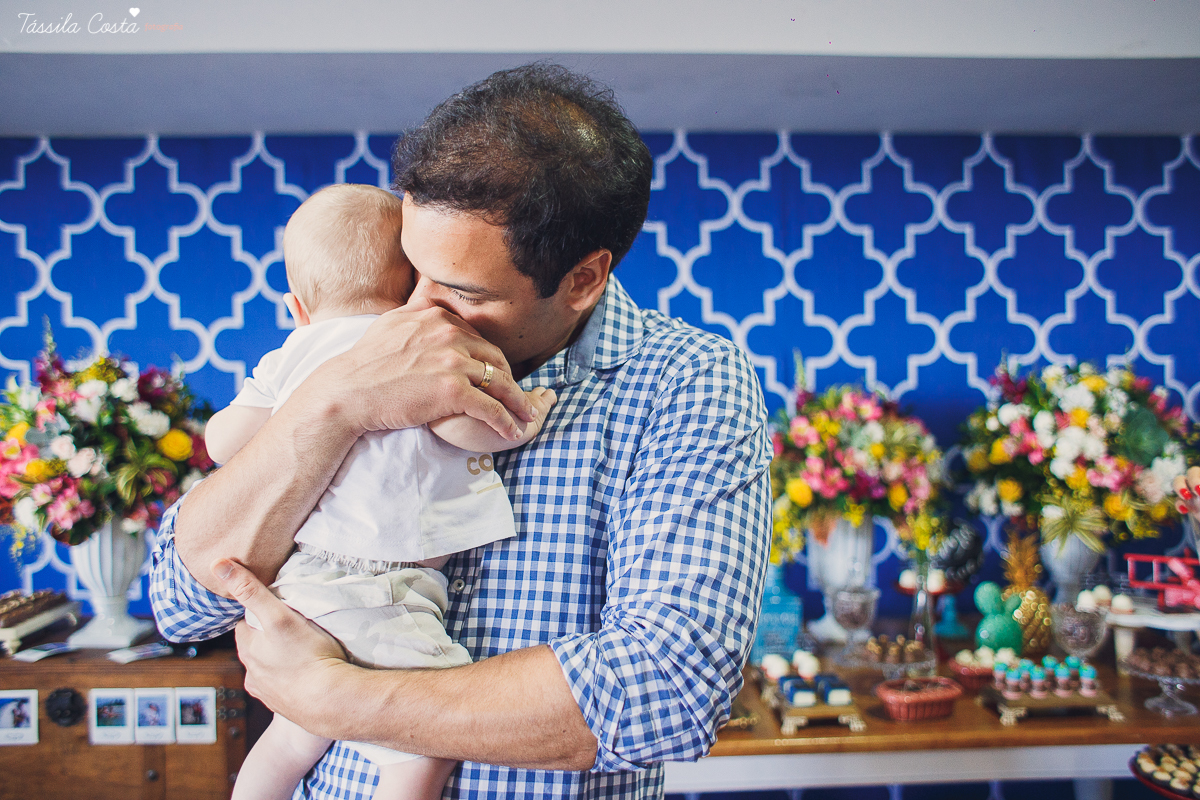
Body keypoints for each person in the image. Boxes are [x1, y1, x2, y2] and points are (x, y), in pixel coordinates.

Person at [150, 63, 772, 800]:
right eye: (412, 268)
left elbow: (670, 690)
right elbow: (182, 602)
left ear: (583, 278)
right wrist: (334, 403)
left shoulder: (687, 382)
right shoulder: (345, 347)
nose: (415, 311)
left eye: (462, 291)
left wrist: (335, 699)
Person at [203, 183, 554, 800]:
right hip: (384, 590)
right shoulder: (429, 354)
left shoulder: (288, 356)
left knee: (290, 737)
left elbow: (223, 441)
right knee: (426, 747)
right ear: (417, 288)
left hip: (304, 584)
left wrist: (291, 413)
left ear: (297, 307)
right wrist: (526, 413)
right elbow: (468, 426)